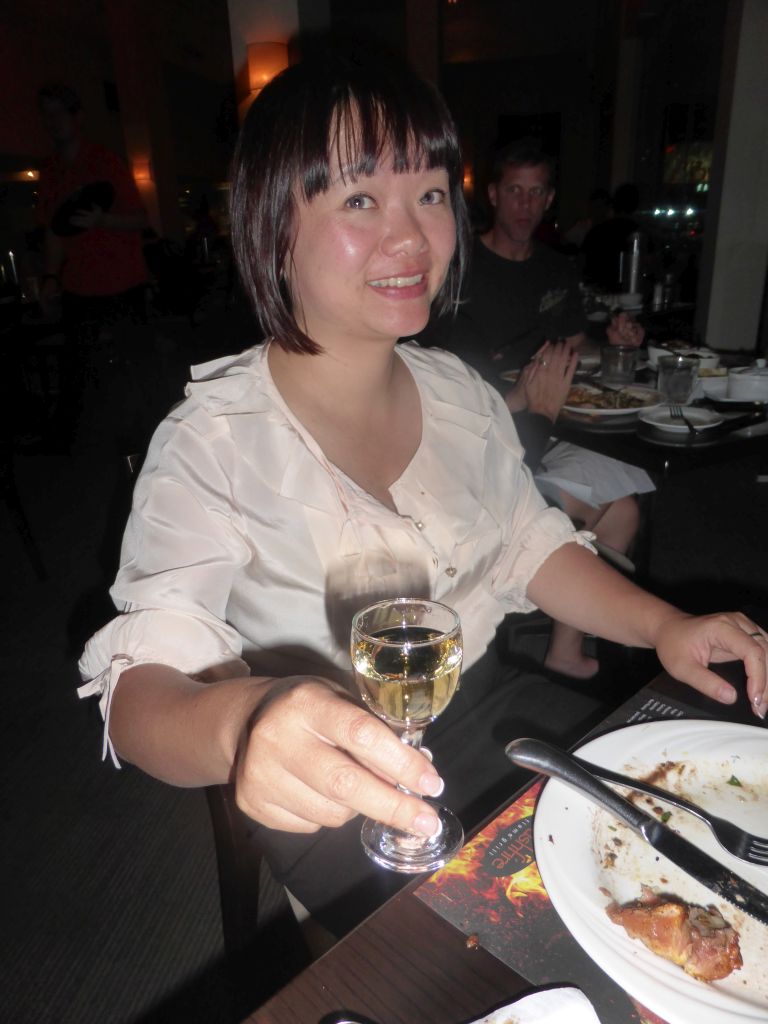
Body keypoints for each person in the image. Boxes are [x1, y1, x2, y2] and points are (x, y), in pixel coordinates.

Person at [78, 50, 767, 940]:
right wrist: (248, 722)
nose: (411, 239)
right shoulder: (213, 439)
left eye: (432, 194)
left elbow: (531, 544)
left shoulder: (460, 392)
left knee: (691, 859)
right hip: (335, 785)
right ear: (270, 222)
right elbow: (141, 696)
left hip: (490, 714)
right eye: (360, 199)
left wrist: (665, 625)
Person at [419, 139, 650, 677]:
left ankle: (564, 648)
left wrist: (614, 341)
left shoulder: (554, 267)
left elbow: (574, 343)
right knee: (569, 513)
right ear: (495, 196)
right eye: (514, 192)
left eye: (536, 193)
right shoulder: (458, 268)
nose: (525, 205)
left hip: (544, 428)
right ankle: (513, 625)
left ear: (548, 200)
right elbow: (437, 393)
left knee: (628, 506)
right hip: (478, 442)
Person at [35, 83, 150, 449]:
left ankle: (153, 436)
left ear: (77, 117)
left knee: (138, 365)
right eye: (46, 114)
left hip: (123, 280)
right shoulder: (50, 172)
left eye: (59, 113)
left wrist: (104, 221)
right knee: (75, 369)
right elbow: (54, 232)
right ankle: (66, 448)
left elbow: (140, 219)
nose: (53, 121)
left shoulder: (105, 162)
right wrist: (51, 276)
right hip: (80, 285)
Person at [581, 181, 641, 291]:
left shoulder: (596, 232)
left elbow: (583, 267)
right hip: (629, 295)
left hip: (600, 294)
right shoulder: (640, 235)